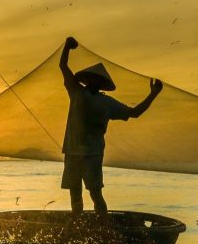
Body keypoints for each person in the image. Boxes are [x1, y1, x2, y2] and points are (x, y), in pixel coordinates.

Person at [59, 36, 162, 214]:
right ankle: (78, 225)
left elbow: (134, 113)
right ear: (87, 80)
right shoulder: (77, 92)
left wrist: (153, 94)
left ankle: (103, 227)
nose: (92, 82)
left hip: (92, 154)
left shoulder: (107, 103)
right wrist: (67, 47)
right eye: (91, 79)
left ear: (100, 84)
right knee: (75, 194)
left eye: (96, 80)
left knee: (95, 194)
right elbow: (63, 66)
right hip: (73, 152)